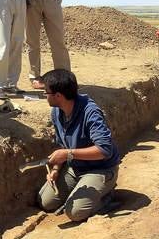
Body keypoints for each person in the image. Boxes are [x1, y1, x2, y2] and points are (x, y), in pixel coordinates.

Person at [38, 69, 120, 222]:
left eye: (46, 93)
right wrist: (56, 169)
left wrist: (69, 154)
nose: (45, 96)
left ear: (58, 96)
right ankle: (79, 192)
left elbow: (104, 150)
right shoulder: (57, 112)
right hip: (75, 168)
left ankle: (106, 197)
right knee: (46, 201)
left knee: (75, 213)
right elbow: (62, 146)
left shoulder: (90, 112)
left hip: (100, 169)